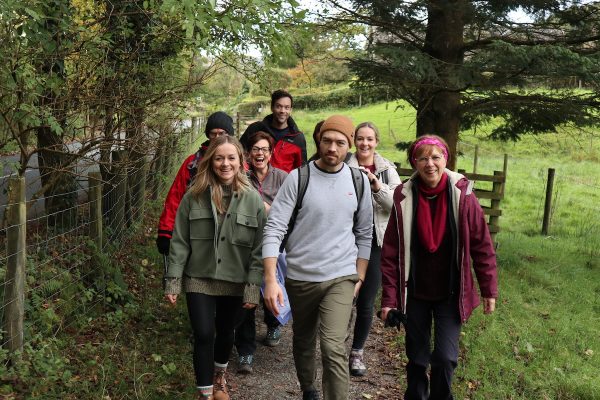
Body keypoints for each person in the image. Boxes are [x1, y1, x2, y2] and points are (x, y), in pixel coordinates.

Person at [263, 115, 373, 400]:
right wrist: (271, 279)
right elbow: (275, 227)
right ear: (319, 141)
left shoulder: (358, 181)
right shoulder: (299, 178)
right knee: (303, 341)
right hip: (300, 277)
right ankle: (309, 390)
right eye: (327, 141)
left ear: (348, 146)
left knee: (333, 346)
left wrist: (359, 275)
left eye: (340, 142)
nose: (332, 148)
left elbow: (364, 233)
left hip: (341, 276)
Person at [380, 135, 498, 400]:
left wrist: (489, 289)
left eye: (436, 157)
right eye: (422, 158)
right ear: (414, 162)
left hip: (451, 293)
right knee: (418, 360)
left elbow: (481, 245)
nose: (429, 164)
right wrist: (389, 300)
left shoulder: (463, 196)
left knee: (445, 358)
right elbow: (390, 253)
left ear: (446, 159)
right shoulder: (403, 197)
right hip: (416, 294)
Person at [164, 136, 266, 400]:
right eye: (219, 158)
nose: (225, 164)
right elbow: (180, 241)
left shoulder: (253, 200)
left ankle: (220, 376)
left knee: (225, 332)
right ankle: (205, 392)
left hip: (236, 280)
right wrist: (173, 279)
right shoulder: (193, 197)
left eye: (231, 158)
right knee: (203, 332)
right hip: (198, 277)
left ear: (241, 162)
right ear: (210, 161)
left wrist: (253, 287)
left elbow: (258, 249)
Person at [345, 122, 401, 376]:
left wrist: (376, 186)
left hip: (376, 244)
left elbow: (397, 205)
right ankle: (335, 347)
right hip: (345, 242)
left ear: (376, 141)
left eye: (369, 139)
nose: (364, 143)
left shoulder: (387, 170)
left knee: (366, 302)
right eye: (360, 138)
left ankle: (357, 352)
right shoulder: (343, 166)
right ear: (354, 140)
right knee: (343, 297)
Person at [234, 131, 288, 373]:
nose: (260, 153)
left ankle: (273, 322)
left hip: (275, 243)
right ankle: (245, 351)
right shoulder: (240, 177)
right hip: (245, 242)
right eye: (255, 149)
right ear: (248, 153)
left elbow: (291, 210)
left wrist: (267, 208)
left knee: (272, 285)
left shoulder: (284, 178)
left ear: (271, 153)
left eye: (264, 149)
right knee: (248, 293)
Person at [156, 111, 234, 255]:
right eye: (213, 133)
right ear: (208, 135)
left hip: (230, 234)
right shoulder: (192, 163)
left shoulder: (239, 163)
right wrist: (166, 232)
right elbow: (175, 196)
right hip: (194, 232)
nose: (217, 138)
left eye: (222, 133)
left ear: (229, 134)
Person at [240, 89, 306, 173]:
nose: (282, 111)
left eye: (287, 107)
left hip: (285, 185)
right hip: (256, 183)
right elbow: (239, 153)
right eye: (278, 106)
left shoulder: (298, 138)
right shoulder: (255, 129)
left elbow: (302, 170)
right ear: (272, 107)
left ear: (291, 110)